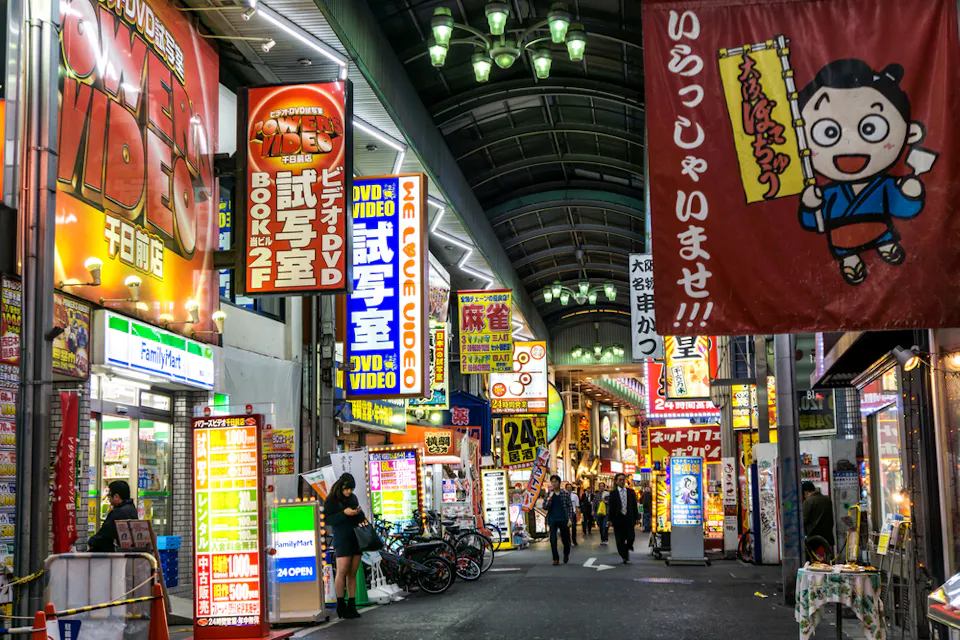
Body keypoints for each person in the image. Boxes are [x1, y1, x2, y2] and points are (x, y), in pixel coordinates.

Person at [324, 473, 365, 619]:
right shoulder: (332, 500)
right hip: (342, 536)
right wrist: (344, 513)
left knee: (353, 571)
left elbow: (361, 517)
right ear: (341, 486)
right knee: (342, 570)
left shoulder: (353, 498)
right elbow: (327, 519)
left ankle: (352, 604)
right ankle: (341, 605)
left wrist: (358, 513)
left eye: (351, 489)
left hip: (355, 536)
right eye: (347, 489)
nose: (349, 492)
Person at [88, 480, 139, 552]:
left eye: (109, 495)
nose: (108, 499)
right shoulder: (132, 508)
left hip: (117, 554)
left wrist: (91, 541)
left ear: (116, 496)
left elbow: (104, 535)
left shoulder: (118, 512)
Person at [543, 475, 575, 565]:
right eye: (552, 482)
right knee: (553, 539)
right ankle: (555, 559)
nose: (554, 483)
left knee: (566, 540)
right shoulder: (549, 494)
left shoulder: (565, 493)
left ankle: (566, 554)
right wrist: (549, 499)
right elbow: (545, 507)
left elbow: (569, 507)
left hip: (563, 519)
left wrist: (570, 519)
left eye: (555, 481)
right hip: (552, 520)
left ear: (559, 482)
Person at [608, 473, 638, 564]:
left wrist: (637, 517)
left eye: (623, 480)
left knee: (631, 537)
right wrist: (610, 520)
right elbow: (611, 507)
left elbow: (634, 505)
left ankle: (628, 546)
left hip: (629, 518)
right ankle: (624, 555)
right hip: (618, 519)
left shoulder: (630, 492)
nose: (622, 481)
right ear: (616, 482)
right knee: (620, 540)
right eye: (620, 480)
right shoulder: (613, 493)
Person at [802, 481, 836, 549]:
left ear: (805, 492)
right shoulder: (827, 500)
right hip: (827, 536)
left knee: (808, 557)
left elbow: (804, 519)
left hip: (813, 536)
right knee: (827, 556)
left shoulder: (808, 501)